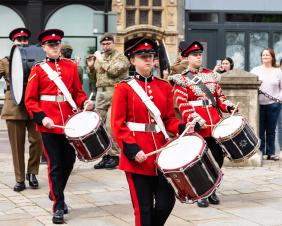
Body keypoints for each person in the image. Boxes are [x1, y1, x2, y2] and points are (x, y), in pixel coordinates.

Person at [24, 29, 94, 224]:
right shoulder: (38, 69)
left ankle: (56, 192)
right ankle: (58, 206)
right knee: (55, 165)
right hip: (49, 124)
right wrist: (41, 117)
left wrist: (84, 104)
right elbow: (30, 101)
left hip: (70, 123)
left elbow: (78, 93)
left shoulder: (71, 67)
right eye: (51, 45)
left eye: (57, 44)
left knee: (69, 162)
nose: (55, 48)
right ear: (44, 48)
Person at [111, 37, 180, 226]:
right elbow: (118, 124)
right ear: (133, 60)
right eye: (143, 57)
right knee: (144, 209)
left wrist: (181, 127)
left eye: (151, 56)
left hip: (161, 153)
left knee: (166, 202)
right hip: (138, 155)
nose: (148, 60)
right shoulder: (123, 88)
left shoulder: (164, 86)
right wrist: (132, 149)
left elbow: (168, 119)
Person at [169, 40, 237, 208]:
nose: (199, 58)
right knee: (199, 161)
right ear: (187, 57)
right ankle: (202, 193)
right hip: (197, 123)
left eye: (200, 55)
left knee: (217, 157)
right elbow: (182, 104)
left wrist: (228, 105)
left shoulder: (211, 75)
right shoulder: (181, 78)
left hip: (215, 123)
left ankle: (212, 190)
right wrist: (194, 119)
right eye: (195, 55)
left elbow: (219, 97)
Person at [0, 28, 43, 192]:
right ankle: (19, 179)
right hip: (14, 107)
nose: (23, 42)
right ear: (13, 42)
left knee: (37, 141)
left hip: (34, 106)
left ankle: (32, 173)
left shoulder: (36, 59)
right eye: (19, 40)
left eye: (25, 39)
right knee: (17, 146)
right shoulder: (5, 61)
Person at [86, 33, 130, 169]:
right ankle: (105, 155)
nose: (106, 46)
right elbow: (94, 78)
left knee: (111, 125)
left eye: (108, 43)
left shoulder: (121, 57)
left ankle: (115, 156)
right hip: (101, 93)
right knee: (100, 126)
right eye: (103, 44)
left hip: (115, 92)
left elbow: (113, 71)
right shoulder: (100, 58)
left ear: (113, 43)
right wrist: (91, 67)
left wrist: (100, 59)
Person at [251, 48, 282, 161]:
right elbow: (250, 85)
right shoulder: (255, 70)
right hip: (258, 105)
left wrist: (278, 99)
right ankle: (261, 151)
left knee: (271, 130)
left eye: (267, 55)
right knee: (260, 129)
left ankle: (271, 152)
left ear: (272, 57)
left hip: (273, 104)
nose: (265, 57)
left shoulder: (278, 71)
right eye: (263, 55)